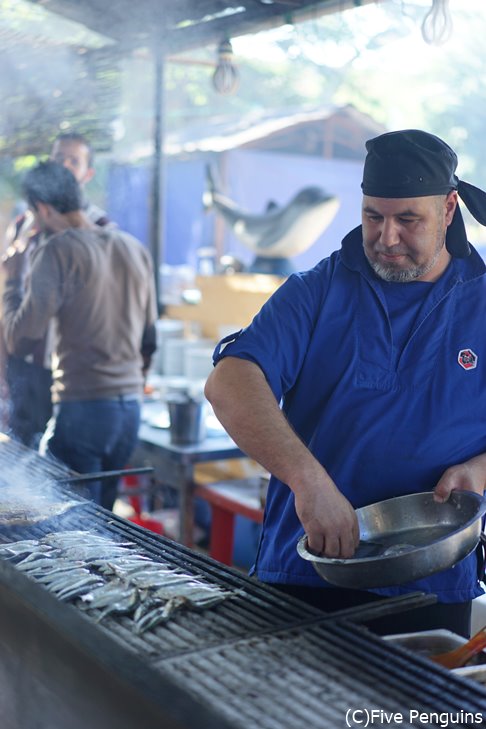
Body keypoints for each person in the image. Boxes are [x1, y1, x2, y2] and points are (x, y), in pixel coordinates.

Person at [205, 129, 486, 638]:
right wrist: (307, 481)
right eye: (373, 217)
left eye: (408, 220)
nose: (387, 237)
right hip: (306, 568)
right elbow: (230, 382)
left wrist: (482, 469)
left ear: (448, 209)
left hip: (434, 580)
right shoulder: (317, 290)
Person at [2, 160, 157, 510]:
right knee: (106, 524)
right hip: (129, 412)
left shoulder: (55, 250)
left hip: (83, 411)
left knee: (71, 527)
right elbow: (149, 342)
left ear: (42, 209)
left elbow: (20, 339)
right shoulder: (134, 249)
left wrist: (10, 279)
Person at [2, 132, 112, 447]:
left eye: (73, 161)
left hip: (72, 375)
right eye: (58, 158)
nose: (63, 166)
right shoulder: (24, 223)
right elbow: (7, 291)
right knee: (23, 460)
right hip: (24, 365)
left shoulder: (102, 231)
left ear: (87, 174)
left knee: (67, 473)